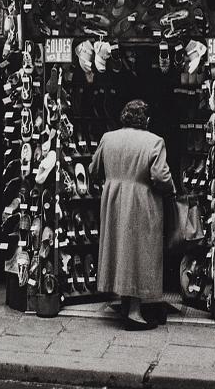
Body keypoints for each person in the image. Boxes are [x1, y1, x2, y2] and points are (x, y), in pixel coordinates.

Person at [89, 99, 175, 330]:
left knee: (121, 251)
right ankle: (135, 313)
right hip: (141, 202)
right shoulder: (154, 141)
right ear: (146, 120)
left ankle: (125, 304)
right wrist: (171, 189)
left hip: (114, 201)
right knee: (139, 252)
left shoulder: (109, 138)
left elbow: (93, 169)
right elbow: (160, 176)